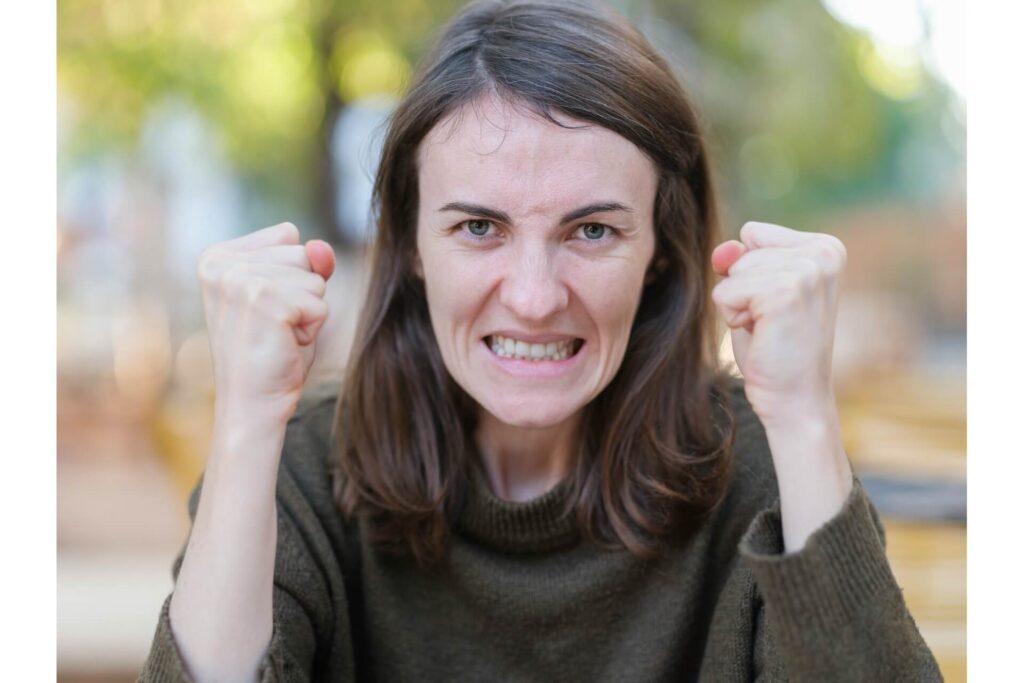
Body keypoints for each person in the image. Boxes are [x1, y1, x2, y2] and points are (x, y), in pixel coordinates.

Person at [140, 0, 943, 681]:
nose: (532, 296)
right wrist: (247, 416)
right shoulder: (305, 467)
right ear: (413, 245)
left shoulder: (763, 471)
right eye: (479, 227)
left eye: (591, 229)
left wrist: (803, 416)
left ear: (661, 248)